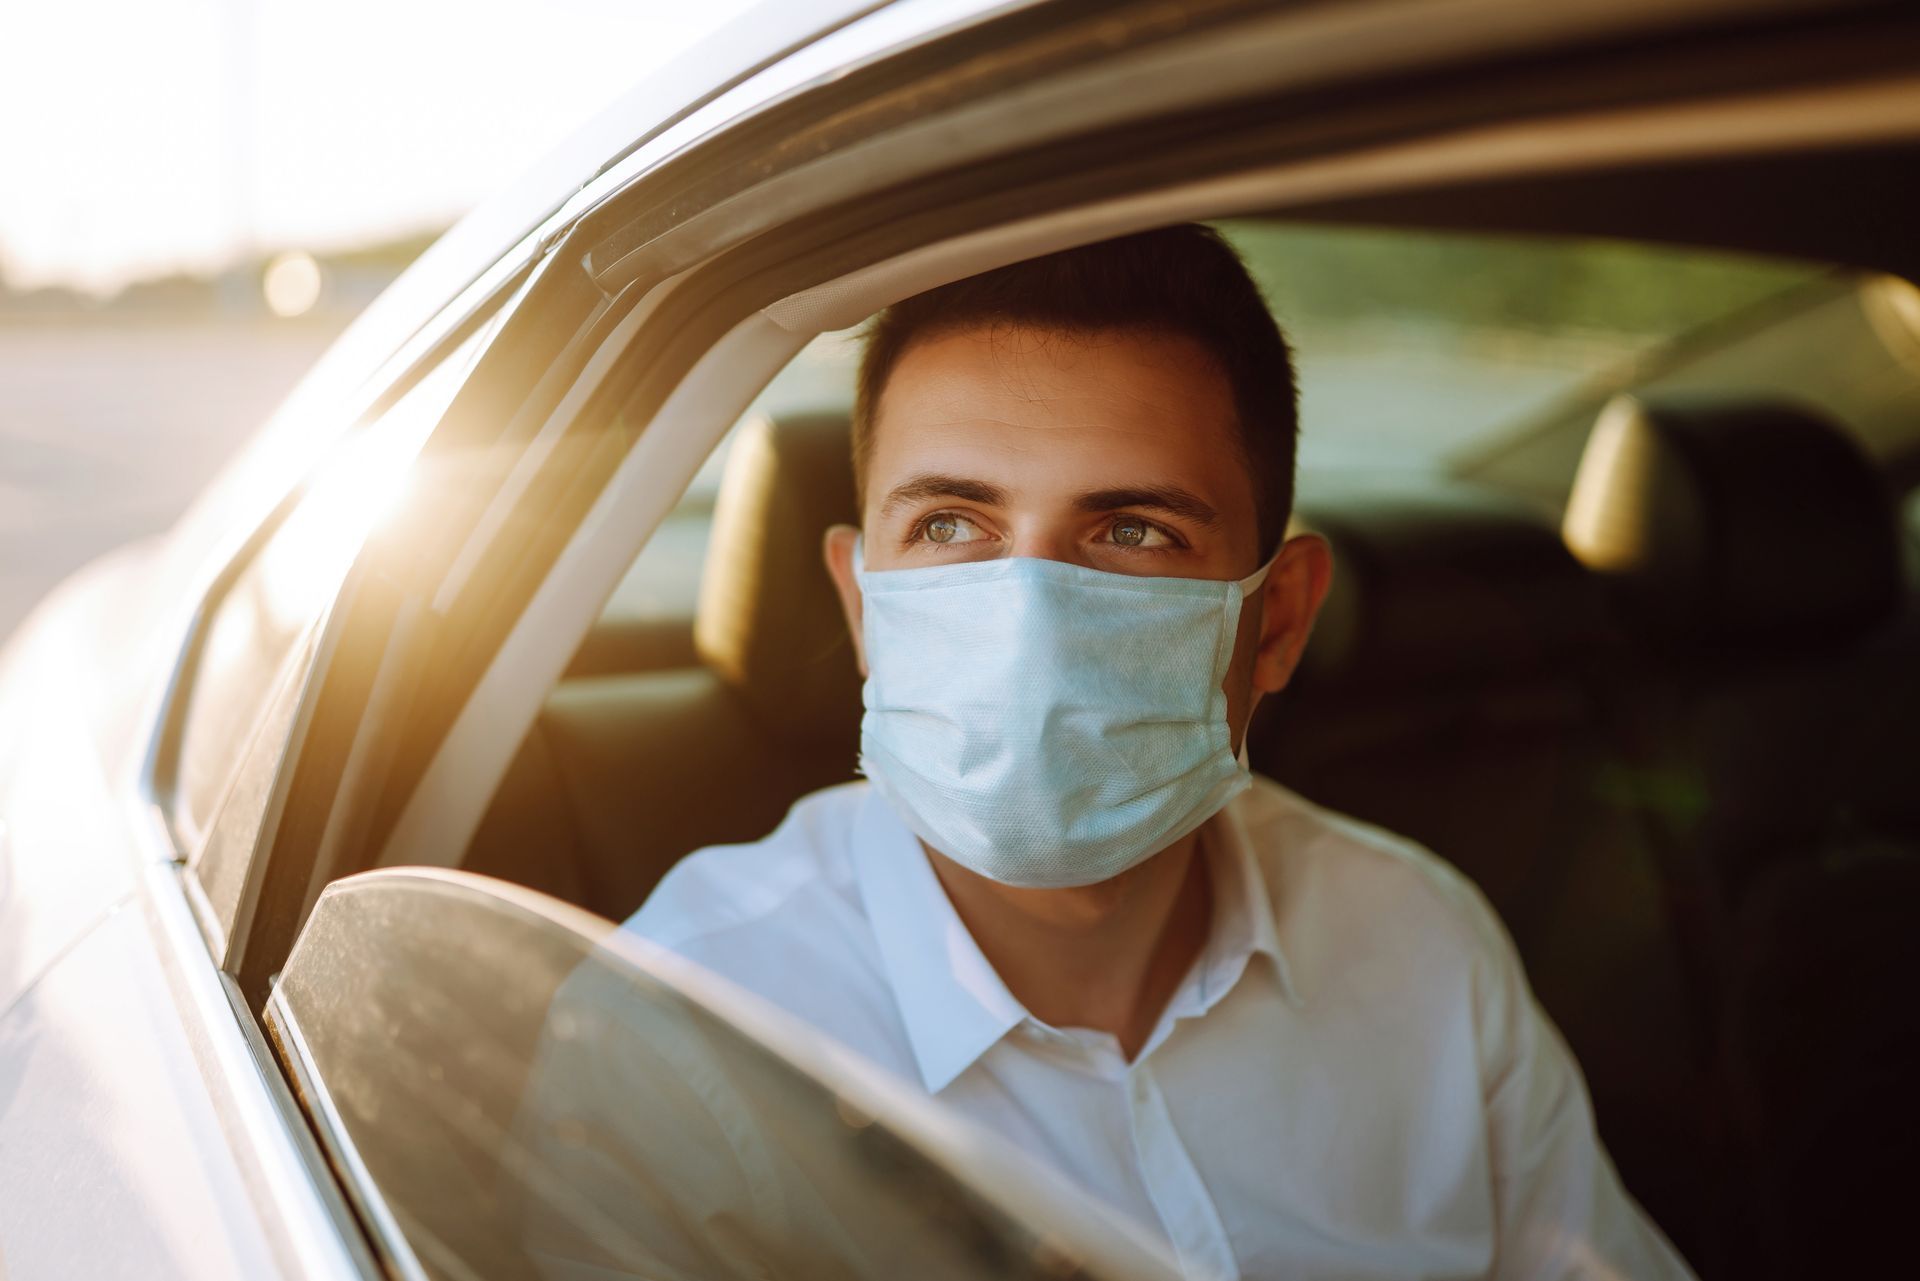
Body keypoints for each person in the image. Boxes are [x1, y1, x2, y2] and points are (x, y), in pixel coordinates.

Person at [627, 224, 1695, 1280]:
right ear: (864, 608)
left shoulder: (1419, 945)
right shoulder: (678, 1039)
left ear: (1274, 622)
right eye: (951, 526)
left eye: (1133, 531)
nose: (1030, 617)